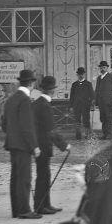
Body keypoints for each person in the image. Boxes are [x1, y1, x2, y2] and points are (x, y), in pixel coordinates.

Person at [0, 69, 41, 219]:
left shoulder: (10, 99)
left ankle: (16, 210)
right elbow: (27, 126)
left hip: (12, 144)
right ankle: (24, 210)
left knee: (15, 177)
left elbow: (4, 124)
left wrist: (12, 135)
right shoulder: (25, 100)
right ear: (31, 84)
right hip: (23, 145)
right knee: (24, 178)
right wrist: (34, 146)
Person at [33, 76, 69, 214]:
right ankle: (41, 206)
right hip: (43, 145)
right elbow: (51, 131)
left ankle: (45, 204)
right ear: (52, 90)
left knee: (44, 176)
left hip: (38, 145)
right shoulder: (44, 105)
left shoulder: (37, 103)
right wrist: (64, 145)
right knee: (43, 177)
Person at [69, 67, 94, 140]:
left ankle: (87, 135)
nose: (81, 75)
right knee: (77, 121)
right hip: (76, 106)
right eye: (79, 74)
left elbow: (92, 95)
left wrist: (92, 103)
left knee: (86, 120)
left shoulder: (88, 84)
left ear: (84, 74)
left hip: (86, 105)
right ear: (77, 75)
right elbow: (72, 96)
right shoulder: (74, 84)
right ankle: (78, 135)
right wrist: (71, 106)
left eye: (82, 74)